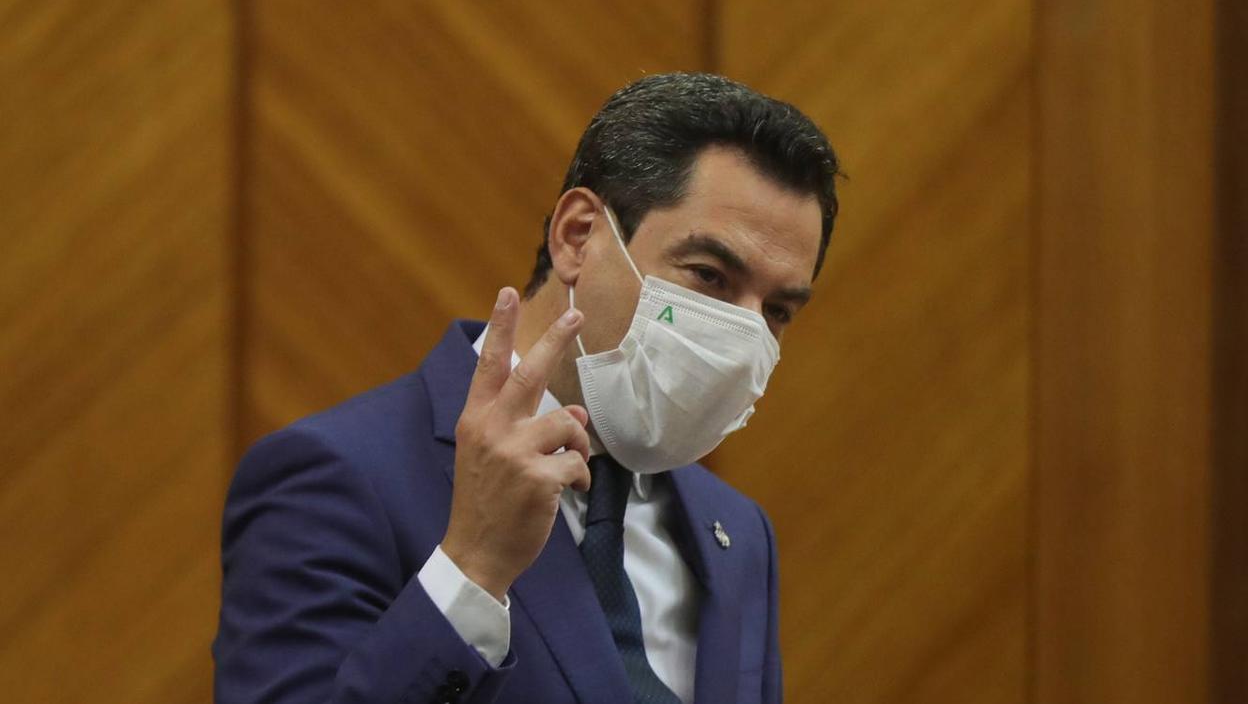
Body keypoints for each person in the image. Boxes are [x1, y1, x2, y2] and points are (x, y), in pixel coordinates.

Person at [213, 72, 839, 704]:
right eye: (709, 275)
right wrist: (474, 569)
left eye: (779, 311)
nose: (742, 332)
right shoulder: (336, 476)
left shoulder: (735, 530)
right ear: (578, 237)